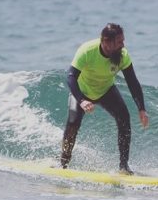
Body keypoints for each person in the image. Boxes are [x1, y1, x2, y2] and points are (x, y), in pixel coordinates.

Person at [60, 23, 149, 174]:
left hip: (106, 90)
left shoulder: (122, 56)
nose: (123, 45)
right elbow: (70, 77)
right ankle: (63, 164)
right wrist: (81, 100)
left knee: (124, 119)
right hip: (82, 91)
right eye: (119, 41)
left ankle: (123, 167)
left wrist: (141, 109)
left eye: (123, 40)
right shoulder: (87, 50)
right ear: (107, 42)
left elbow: (132, 82)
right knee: (73, 124)